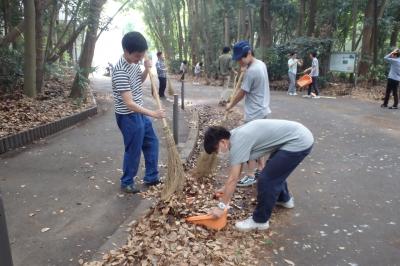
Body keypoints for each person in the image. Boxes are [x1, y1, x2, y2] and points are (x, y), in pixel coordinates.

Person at [204, 119, 314, 231]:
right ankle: (284, 199)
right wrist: (225, 188)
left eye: (215, 149)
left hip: (299, 141)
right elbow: (236, 172)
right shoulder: (234, 136)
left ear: (222, 142)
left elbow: (233, 178)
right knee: (275, 171)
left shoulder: (238, 142)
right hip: (295, 136)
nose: (218, 153)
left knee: (267, 179)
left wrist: (221, 207)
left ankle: (260, 221)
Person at [112, 31, 166, 194]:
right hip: (128, 116)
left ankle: (151, 177)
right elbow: (129, 103)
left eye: (141, 56)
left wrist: (146, 69)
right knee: (133, 149)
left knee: (152, 142)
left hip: (139, 113)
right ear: (127, 51)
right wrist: (153, 113)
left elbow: (138, 81)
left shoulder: (134, 64)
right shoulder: (120, 70)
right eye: (137, 56)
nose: (139, 59)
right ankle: (127, 182)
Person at [226, 40, 271, 187]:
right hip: (263, 109)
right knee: (261, 142)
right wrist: (245, 68)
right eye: (238, 59)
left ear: (249, 53)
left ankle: (251, 175)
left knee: (250, 145)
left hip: (254, 113)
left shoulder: (252, 72)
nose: (239, 61)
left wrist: (230, 105)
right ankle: (261, 169)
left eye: (241, 58)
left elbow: (242, 93)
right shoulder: (260, 64)